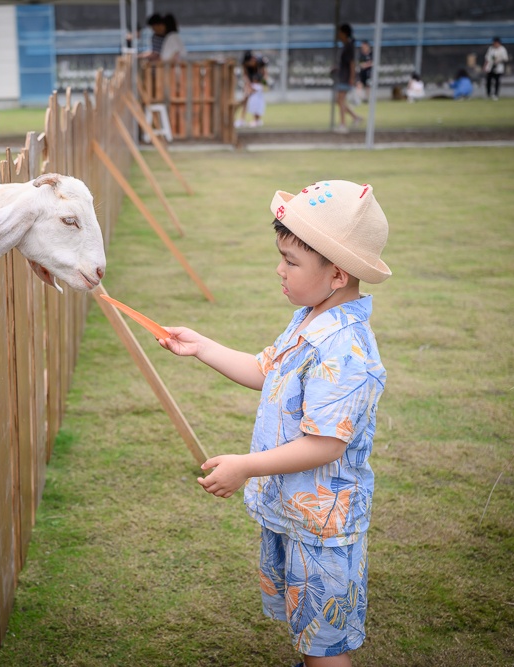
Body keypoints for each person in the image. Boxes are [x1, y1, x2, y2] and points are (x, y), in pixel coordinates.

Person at [159, 179, 390, 667]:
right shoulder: (309, 317)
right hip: (294, 512)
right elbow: (266, 369)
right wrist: (201, 347)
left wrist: (247, 465)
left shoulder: (344, 349)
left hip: (322, 525)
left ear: (337, 274)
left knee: (325, 645)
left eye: (291, 261)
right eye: (280, 256)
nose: (278, 270)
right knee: (307, 631)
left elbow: (325, 445)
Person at [332, 24, 362, 133]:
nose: (338, 34)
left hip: (346, 77)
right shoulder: (345, 46)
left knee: (340, 100)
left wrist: (352, 78)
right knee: (339, 100)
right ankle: (355, 117)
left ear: (344, 33)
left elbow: (352, 63)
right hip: (343, 76)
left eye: (340, 32)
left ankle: (343, 124)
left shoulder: (349, 46)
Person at [483, 37, 509, 101]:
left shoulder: (502, 49)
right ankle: (488, 94)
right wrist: (485, 66)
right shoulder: (491, 49)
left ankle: (496, 95)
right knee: (488, 81)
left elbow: (506, 58)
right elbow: (487, 58)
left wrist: (498, 60)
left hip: (498, 68)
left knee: (497, 82)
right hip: (490, 67)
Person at [354, 40, 373, 104]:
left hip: (369, 73)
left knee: (368, 85)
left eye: (364, 46)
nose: (363, 48)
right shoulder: (361, 55)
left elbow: (373, 63)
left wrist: (367, 64)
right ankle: (358, 99)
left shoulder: (371, 54)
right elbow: (360, 64)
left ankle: (366, 99)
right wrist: (366, 64)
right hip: (361, 73)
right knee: (359, 84)